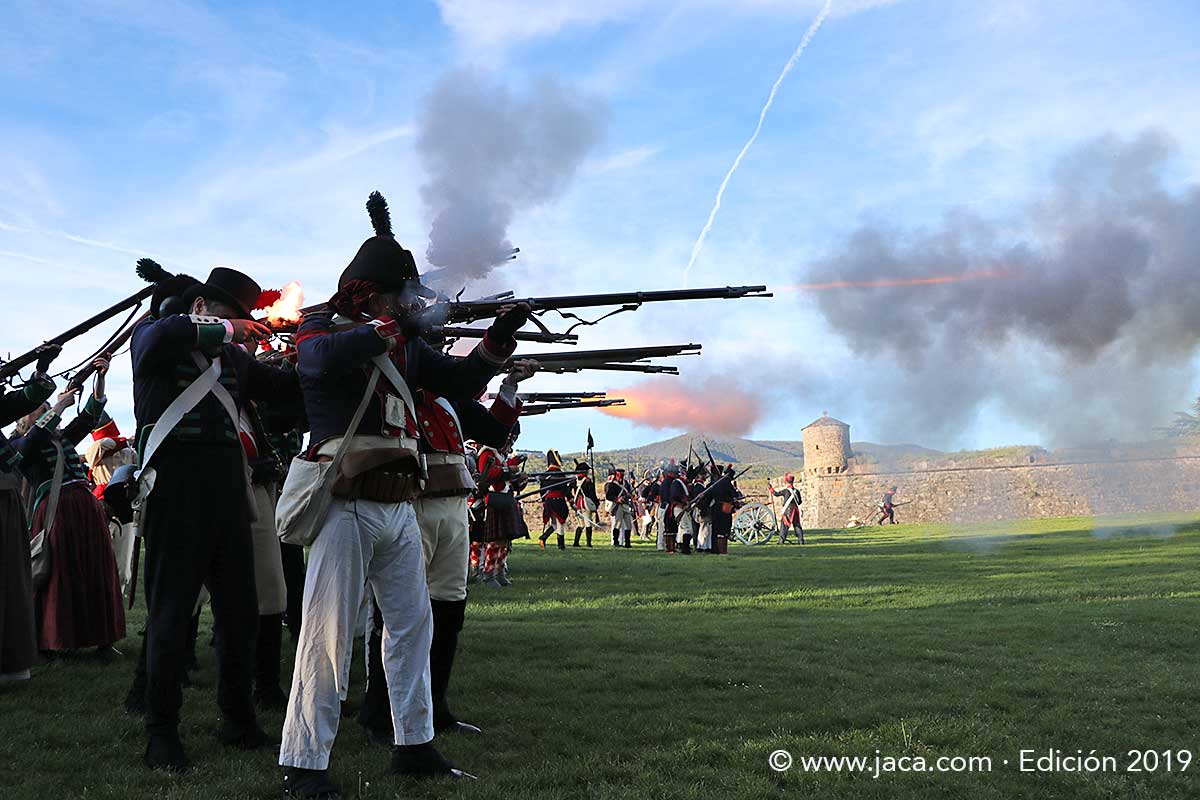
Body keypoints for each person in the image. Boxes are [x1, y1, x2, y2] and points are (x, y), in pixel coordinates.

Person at [279, 190, 528, 796]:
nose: (406, 304)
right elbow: (314, 361)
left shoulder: (405, 344)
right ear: (368, 292)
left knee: (413, 628)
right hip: (345, 501)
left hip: (397, 503)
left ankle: (413, 744)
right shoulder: (325, 323)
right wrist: (393, 326)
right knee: (329, 636)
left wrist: (498, 338)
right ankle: (304, 763)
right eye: (397, 294)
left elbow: (462, 381)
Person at [131, 266, 296, 772]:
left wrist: (315, 338)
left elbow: (285, 389)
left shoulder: (238, 362)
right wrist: (233, 330)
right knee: (170, 613)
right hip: (175, 486)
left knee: (241, 613)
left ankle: (239, 718)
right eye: (230, 314)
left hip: (229, 487)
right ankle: (161, 731)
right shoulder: (156, 336)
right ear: (200, 306)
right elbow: (164, 335)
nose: (240, 326)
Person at [357, 363, 533, 750]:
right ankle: (378, 711)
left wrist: (509, 388)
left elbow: (493, 432)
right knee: (394, 614)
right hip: (409, 503)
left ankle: (435, 705)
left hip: (454, 505)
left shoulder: (451, 399)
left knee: (450, 608)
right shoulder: (387, 389)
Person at [12, 356, 126, 656]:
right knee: (60, 573)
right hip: (56, 511)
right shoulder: (20, 444)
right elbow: (31, 442)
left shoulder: (61, 437)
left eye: (48, 406)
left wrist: (98, 380)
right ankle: (55, 640)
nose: (46, 407)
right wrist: (61, 405)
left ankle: (103, 639)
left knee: (97, 569)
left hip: (85, 507)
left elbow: (88, 418)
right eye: (40, 406)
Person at [0, 345, 59, 683]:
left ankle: (10, 662)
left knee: (10, 579)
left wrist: (42, 366)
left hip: (5, 497)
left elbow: (28, 397)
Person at [537, 449, 569, 551]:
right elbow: (565, 489)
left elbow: (542, 490)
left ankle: (543, 537)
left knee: (554, 524)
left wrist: (543, 500)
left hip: (548, 501)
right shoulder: (560, 474)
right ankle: (561, 545)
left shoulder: (545, 474)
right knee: (560, 523)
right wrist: (570, 499)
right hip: (558, 500)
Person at [660, 463, 690, 554]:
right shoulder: (668, 482)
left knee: (672, 527)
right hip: (668, 506)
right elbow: (667, 496)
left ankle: (672, 547)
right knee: (668, 527)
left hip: (671, 505)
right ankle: (668, 547)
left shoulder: (672, 481)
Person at [709, 466, 738, 555]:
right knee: (724, 530)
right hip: (724, 509)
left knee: (717, 530)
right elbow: (734, 494)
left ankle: (716, 550)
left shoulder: (717, 482)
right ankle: (722, 551)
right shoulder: (726, 483)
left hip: (716, 508)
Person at [770, 474, 804, 544]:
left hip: (788, 510)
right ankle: (801, 541)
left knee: (784, 525)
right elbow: (799, 502)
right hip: (795, 510)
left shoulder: (785, 491)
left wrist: (771, 488)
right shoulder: (796, 491)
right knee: (797, 525)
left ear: (786, 481)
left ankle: (781, 541)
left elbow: (776, 494)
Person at [571, 461, 598, 548]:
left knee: (581, 525)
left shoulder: (574, 480)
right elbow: (592, 495)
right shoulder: (588, 481)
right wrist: (596, 504)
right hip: (586, 504)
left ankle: (576, 542)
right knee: (588, 524)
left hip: (577, 505)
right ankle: (588, 543)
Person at [605, 467, 634, 548]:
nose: (620, 477)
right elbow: (608, 496)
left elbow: (630, 493)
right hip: (618, 506)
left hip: (625, 505)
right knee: (618, 524)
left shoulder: (626, 483)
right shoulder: (612, 484)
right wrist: (617, 499)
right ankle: (615, 541)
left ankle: (627, 542)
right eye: (619, 475)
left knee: (628, 525)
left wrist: (629, 495)